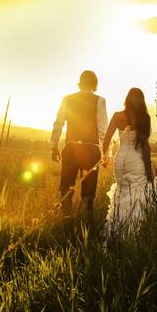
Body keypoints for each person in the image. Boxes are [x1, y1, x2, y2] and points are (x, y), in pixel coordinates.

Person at [51, 70, 108, 217]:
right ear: (94, 84)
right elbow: (103, 129)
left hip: (71, 148)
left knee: (66, 187)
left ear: (80, 82)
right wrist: (105, 153)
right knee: (89, 192)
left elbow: (58, 123)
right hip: (91, 150)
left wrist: (54, 146)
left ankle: (66, 218)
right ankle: (86, 221)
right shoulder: (100, 101)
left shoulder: (67, 99)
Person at [102, 87, 157, 237]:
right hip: (137, 159)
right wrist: (149, 169)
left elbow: (106, 140)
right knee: (136, 194)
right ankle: (133, 233)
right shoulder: (145, 118)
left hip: (120, 160)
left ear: (127, 99)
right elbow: (145, 146)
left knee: (122, 192)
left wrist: (105, 157)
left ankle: (117, 230)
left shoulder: (117, 116)